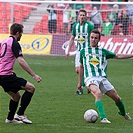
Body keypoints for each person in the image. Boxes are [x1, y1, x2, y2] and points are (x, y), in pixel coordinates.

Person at [78, 29, 132, 123]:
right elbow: (81, 67)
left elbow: (118, 56)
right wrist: (80, 83)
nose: (93, 40)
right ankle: (103, 118)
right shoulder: (83, 51)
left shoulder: (103, 52)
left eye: (95, 38)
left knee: (117, 98)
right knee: (98, 93)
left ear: (99, 40)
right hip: (90, 78)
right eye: (91, 37)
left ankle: (123, 113)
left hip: (102, 78)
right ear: (89, 38)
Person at [0, 23, 42, 124]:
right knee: (31, 88)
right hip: (6, 75)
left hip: (2, 75)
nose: (22, 36)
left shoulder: (3, 41)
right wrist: (33, 75)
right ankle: (20, 114)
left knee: (16, 96)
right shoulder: (14, 43)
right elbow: (21, 61)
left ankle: (10, 119)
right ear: (18, 33)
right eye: (21, 33)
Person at [66, 9, 94, 95]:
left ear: (86, 17)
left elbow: (94, 38)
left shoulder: (89, 26)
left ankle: (80, 88)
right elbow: (72, 38)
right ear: (78, 16)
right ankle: (88, 85)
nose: (82, 17)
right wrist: (68, 50)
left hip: (87, 51)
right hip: (79, 51)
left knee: (83, 69)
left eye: (83, 15)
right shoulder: (75, 26)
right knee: (78, 70)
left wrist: (93, 49)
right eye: (80, 15)